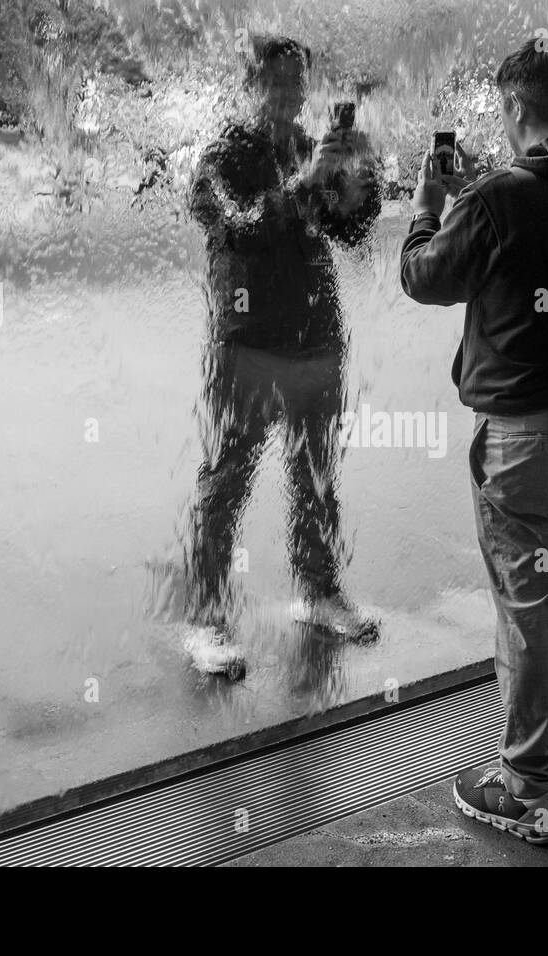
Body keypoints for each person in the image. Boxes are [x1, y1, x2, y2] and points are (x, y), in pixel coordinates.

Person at [400, 37, 548, 844]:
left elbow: (425, 277)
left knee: (529, 606)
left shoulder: (498, 197)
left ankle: (529, 789)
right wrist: (482, 191)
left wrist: (430, 205)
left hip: (525, 437)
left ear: (512, 107)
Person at [182, 35, 382, 678]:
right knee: (228, 480)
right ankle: (206, 619)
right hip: (247, 343)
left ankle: (318, 593)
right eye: (275, 83)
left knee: (316, 473)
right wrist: (301, 185)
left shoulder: (308, 147)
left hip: (316, 336)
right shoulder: (222, 155)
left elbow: (350, 233)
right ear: (249, 88)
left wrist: (356, 182)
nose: (290, 96)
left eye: (297, 83)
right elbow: (236, 226)